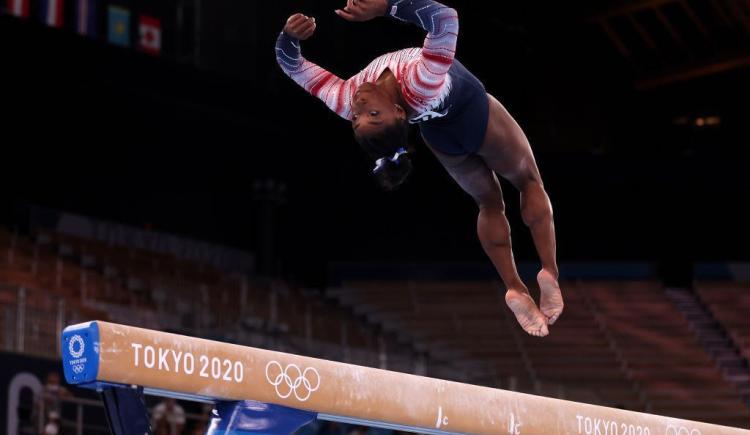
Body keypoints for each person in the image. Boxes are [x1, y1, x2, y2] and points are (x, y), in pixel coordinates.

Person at [275, 0, 563, 336]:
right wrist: (384, 7)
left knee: (488, 203)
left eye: (357, 119)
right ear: (399, 113)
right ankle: (549, 272)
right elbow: (445, 19)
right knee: (529, 182)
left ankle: (515, 287)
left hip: (440, 138)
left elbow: (292, 66)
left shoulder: (345, 98)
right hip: (473, 116)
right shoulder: (419, 81)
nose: (360, 108)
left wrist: (288, 37)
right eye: (373, 116)